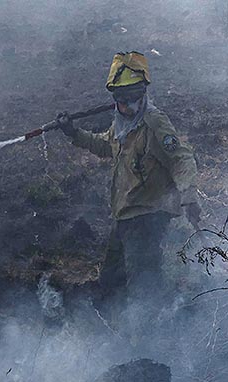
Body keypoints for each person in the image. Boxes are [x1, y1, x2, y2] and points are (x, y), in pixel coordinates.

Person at [56, 51, 200, 319]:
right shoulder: (122, 125)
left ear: (142, 95)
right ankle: (112, 333)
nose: (131, 106)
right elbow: (104, 145)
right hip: (125, 216)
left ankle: (148, 342)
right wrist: (73, 133)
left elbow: (181, 158)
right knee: (111, 279)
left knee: (143, 284)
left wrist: (188, 195)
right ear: (117, 101)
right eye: (125, 100)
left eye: (135, 99)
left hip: (148, 215)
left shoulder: (154, 123)